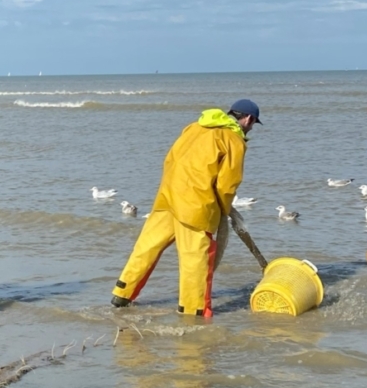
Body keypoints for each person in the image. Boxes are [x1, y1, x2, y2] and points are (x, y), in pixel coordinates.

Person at [111, 100, 260, 319]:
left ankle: (122, 294)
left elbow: (170, 159)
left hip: (167, 197)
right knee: (195, 260)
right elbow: (227, 184)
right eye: (253, 124)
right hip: (196, 206)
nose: (251, 129)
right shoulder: (234, 140)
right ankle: (193, 312)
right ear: (248, 119)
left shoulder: (194, 127)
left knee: (146, 248)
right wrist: (224, 209)